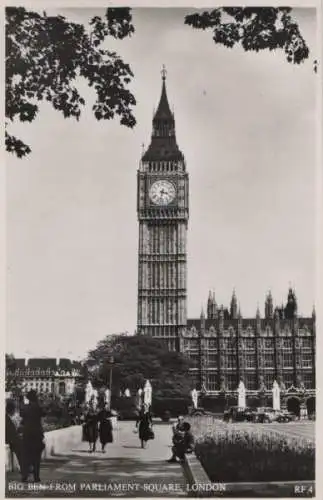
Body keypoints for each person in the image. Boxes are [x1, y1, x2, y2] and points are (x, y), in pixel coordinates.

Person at [20, 390, 45, 482]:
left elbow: (22, 417)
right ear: (36, 397)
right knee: (36, 456)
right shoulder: (38, 407)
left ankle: (25, 476)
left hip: (27, 435)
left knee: (26, 456)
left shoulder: (25, 408)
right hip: (37, 435)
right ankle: (36, 477)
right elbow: (43, 414)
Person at [5, 399, 22, 471]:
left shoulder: (7, 417)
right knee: (20, 446)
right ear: (12, 410)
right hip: (9, 439)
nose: (15, 411)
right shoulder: (6, 418)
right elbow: (11, 433)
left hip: (10, 438)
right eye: (15, 409)